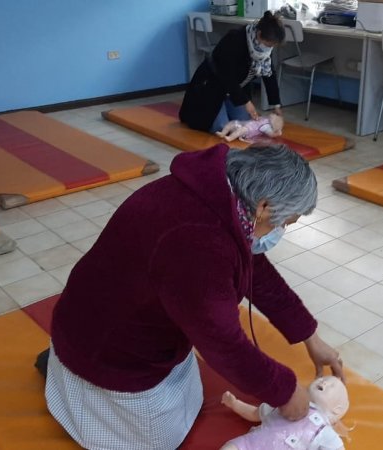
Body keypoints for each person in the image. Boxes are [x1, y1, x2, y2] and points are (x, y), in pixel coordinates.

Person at [41, 144, 344, 450]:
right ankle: (79, 389)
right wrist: (286, 392)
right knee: (160, 439)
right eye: (283, 223)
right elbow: (223, 342)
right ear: (263, 206)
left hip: (103, 316)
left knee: (187, 390)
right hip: (107, 351)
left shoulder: (220, 196)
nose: (279, 231)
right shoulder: (197, 242)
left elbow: (255, 270)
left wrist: (310, 336)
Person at [180, 11, 285, 133]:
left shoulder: (263, 49)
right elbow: (226, 75)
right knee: (221, 126)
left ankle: (226, 106)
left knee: (245, 123)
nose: (269, 48)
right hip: (211, 86)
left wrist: (276, 105)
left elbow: (269, 75)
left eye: (272, 45)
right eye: (269, 44)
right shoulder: (234, 39)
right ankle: (211, 110)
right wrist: (245, 102)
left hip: (235, 90)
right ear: (259, 34)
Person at [220, 375, 349, 450]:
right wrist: (235, 404)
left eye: (332, 386)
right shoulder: (288, 402)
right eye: (322, 378)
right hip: (249, 444)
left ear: (337, 409)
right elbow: (255, 413)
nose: (324, 381)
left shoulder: (324, 431)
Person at [216, 112, 284, 142]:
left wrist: (277, 133)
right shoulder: (265, 118)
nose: (273, 114)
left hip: (248, 130)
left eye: (275, 115)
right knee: (231, 123)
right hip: (243, 124)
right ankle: (223, 133)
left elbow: (271, 134)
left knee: (241, 130)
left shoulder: (266, 126)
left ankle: (230, 138)